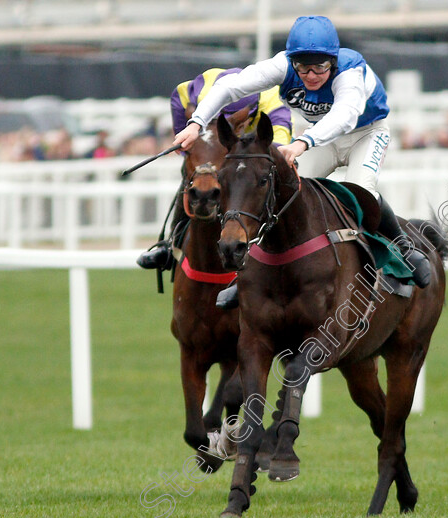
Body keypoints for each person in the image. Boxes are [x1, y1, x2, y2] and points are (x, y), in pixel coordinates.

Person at [172, 15, 433, 308]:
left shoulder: (350, 70)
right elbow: (231, 87)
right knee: (286, 191)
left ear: (333, 61)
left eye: (320, 66)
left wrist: (302, 142)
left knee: (361, 188)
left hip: (366, 134)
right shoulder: (282, 65)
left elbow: (345, 115)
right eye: (302, 66)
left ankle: (404, 249)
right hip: (321, 136)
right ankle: (247, 275)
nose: (310, 74)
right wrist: (196, 123)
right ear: (292, 61)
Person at [136, 67, 293, 272]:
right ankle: (170, 244)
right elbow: (178, 96)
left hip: (253, 145)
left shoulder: (272, 99)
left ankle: (278, 250)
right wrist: (186, 142)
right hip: (210, 135)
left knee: (266, 177)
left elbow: (280, 147)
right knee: (196, 176)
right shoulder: (196, 93)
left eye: (234, 117)